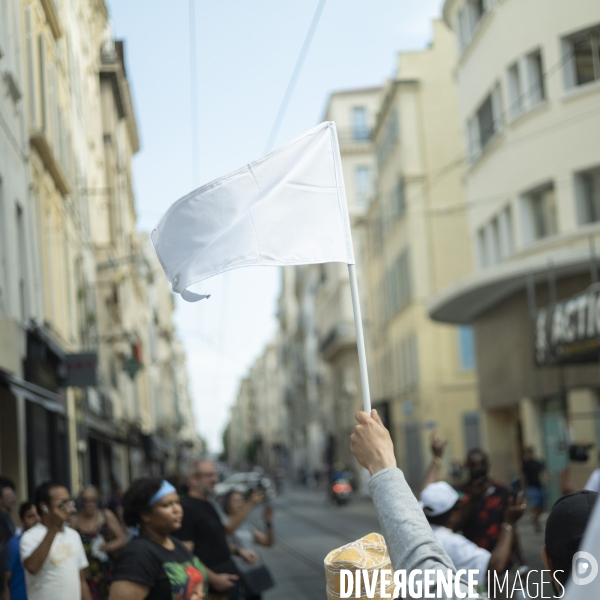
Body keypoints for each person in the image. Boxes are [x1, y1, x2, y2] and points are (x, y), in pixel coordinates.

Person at [349, 409, 599, 599]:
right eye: (474, 464)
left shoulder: (499, 492)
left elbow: (426, 572)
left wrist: (382, 467)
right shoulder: (463, 495)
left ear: (547, 561)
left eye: (482, 464)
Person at [108, 478, 207, 600]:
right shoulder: (138, 554)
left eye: (178, 502)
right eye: (167, 505)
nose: (177, 510)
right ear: (146, 514)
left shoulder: (174, 543)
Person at [173, 460, 257, 600]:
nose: (215, 479)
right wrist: (214, 579)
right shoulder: (186, 509)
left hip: (227, 584)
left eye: (214, 475)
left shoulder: (209, 504)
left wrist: (239, 551)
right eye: (209, 475)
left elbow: (213, 540)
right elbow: (184, 555)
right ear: (194, 479)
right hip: (210, 590)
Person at [419, 481, 525, 591]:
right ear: (452, 515)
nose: (463, 508)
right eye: (460, 505)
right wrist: (509, 522)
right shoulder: (453, 544)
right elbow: (495, 565)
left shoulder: (419, 533)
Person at [20, 481, 92, 600]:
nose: (68, 507)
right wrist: (54, 527)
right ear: (44, 507)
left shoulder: (73, 535)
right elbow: (32, 567)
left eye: (69, 501)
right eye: (62, 503)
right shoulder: (30, 536)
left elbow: (81, 580)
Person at [70, 485, 127, 600]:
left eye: (93, 500)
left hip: (106, 571)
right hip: (84, 574)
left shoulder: (106, 515)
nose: (89, 504)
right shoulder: (74, 520)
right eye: (85, 500)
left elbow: (122, 539)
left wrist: (107, 547)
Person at [3, 501, 40, 600]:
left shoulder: (49, 541)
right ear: (22, 521)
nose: (37, 519)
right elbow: (4, 581)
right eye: (31, 516)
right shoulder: (14, 544)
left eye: (39, 515)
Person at [521, 446, 546, 531]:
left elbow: (542, 473)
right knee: (535, 506)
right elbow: (523, 476)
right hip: (531, 487)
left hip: (540, 487)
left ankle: (536, 519)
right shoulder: (526, 464)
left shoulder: (538, 463)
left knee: (541, 507)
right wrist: (523, 488)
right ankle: (536, 522)